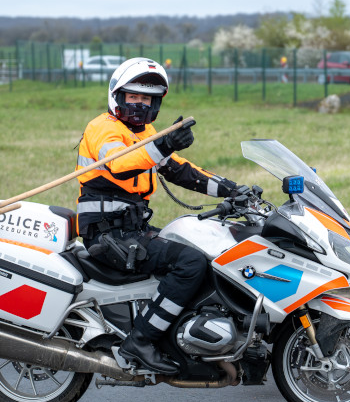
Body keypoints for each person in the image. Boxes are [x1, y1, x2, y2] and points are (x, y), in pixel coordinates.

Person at [76, 57, 247, 374]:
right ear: (118, 95)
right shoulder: (103, 128)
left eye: (147, 99)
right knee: (190, 263)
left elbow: (180, 170)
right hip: (108, 235)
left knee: (205, 252)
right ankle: (140, 341)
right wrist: (164, 143)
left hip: (131, 231)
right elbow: (119, 162)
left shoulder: (146, 133)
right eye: (134, 97)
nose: (140, 105)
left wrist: (233, 190)